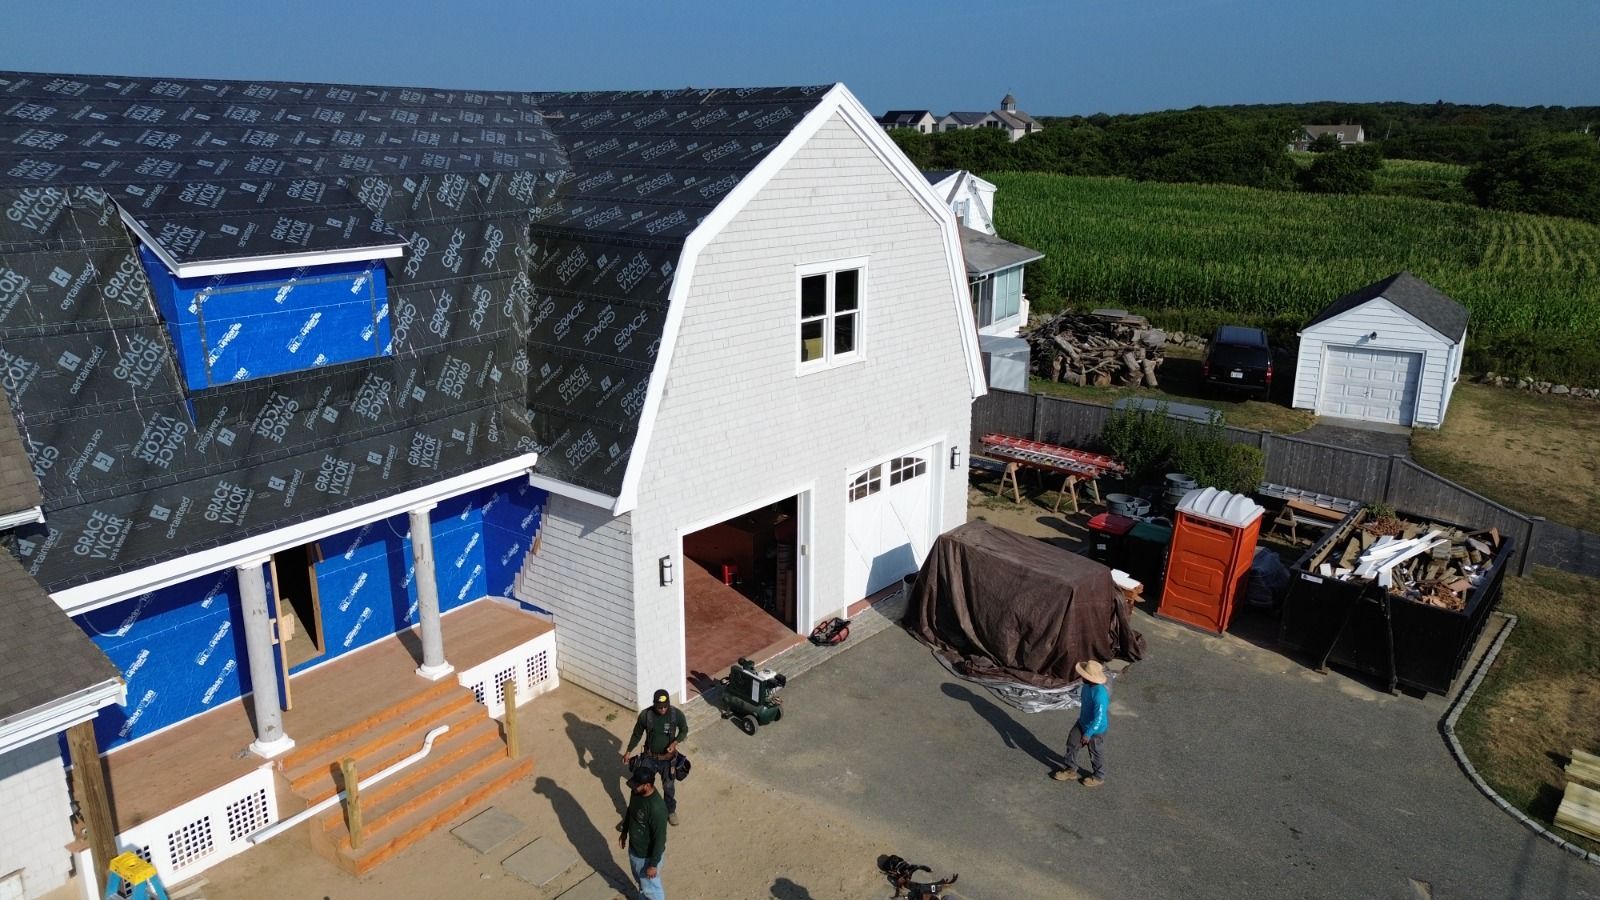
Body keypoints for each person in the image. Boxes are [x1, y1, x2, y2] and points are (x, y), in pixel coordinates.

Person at [623, 688, 688, 824]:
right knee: (641, 786)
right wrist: (628, 751)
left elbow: (684, 730)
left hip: (668, 759)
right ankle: (638, 813)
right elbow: (637, 734)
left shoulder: (676, 714)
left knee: (668, 787)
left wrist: (675, 742)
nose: (663, 709)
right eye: (660, 707)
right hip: (649, 758)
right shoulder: (646, 716)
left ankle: (670, 811)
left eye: (665, 706)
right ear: (654, 704)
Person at [1053, 659, 1109, 787]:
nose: (1081, 676)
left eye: (1084, 675)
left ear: (1090, 679)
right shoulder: (1087, 686)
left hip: (1096, 730)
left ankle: (1098, 776)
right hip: (1082, 722)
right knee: (1072, 743)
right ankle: (1071, 769)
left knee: (1095, 752)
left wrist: (1088, 733)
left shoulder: (1100, 695)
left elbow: (1099, 717)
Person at [618, 767, 668, 900]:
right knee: (642, 884)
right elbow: (631, 810)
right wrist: (624, 831)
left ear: (647, 785)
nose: (633, 788)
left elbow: (660, 839)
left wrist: (653, 864)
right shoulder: (636, 793)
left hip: (646, 856)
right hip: (635, 850)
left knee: (652, 890)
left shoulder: (656, 808)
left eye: (637, 785)